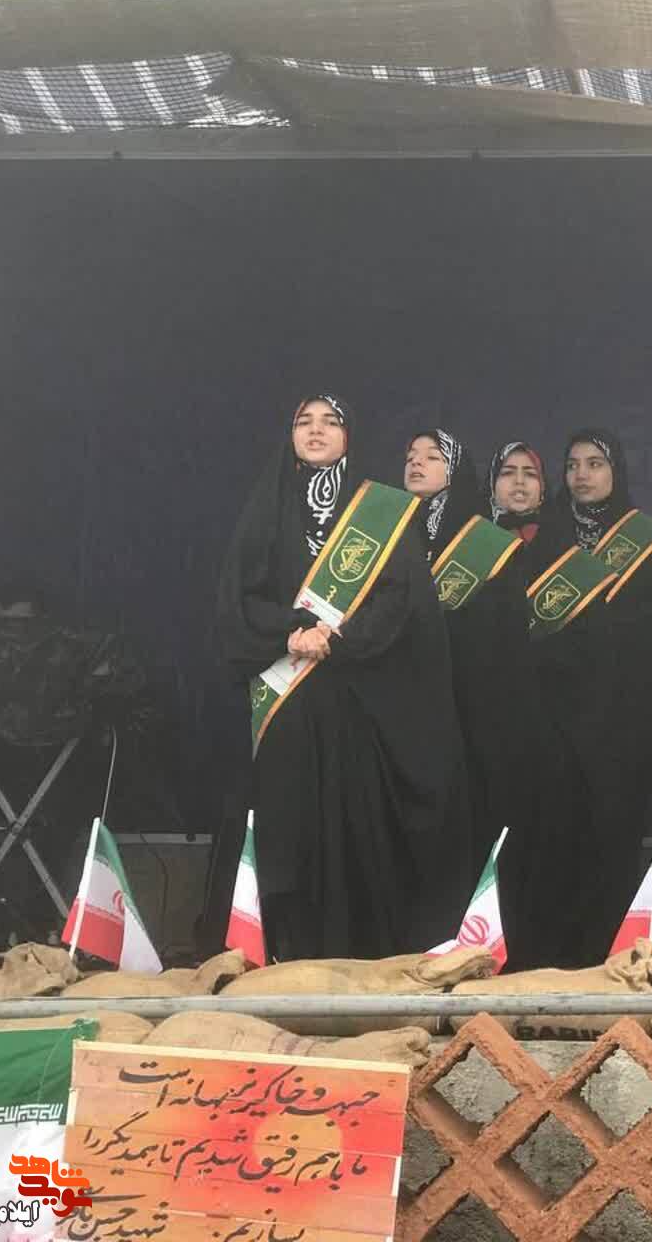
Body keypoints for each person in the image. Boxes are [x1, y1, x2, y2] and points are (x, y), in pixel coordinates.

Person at [217, 396, 465, 960]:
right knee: (286, 824)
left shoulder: (381, 509)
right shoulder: (265, 507)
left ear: (350, 436)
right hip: (284, 698)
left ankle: (356, 952)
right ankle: (280, 950)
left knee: (351, 824)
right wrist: (289, 634)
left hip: (354, 695)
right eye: (303, 421)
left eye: (330, 422)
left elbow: (400, 597)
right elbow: (240, 597)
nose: (316, 431)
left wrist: (338, 638)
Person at [533, 428, 652, 960]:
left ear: (615, 471)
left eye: (594, 463)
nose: (582, 474)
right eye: (573, 464)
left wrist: (601, 633)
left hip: (620, 715)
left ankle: (606, 946)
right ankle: (549, 948)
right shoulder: (543, 533)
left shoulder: (650, 543)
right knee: (553, 827)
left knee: (611, 827)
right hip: (552, 713)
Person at [404, 429, 488, 562]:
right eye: (410, 458)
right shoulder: (391, 516)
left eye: (432, 457)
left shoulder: (474, 525)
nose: (415, 462)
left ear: (454, 469)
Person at [489, 441, 546, 542]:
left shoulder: (562, 542)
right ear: (493, 487)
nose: (519, 481)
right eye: (508, 473)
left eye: (530, 474)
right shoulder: (476, 541)